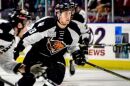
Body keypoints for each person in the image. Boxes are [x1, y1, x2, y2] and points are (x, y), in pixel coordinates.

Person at [14, 2, 91, 86]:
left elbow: (72, 46)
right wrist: (17, 50)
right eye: (65, 13)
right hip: (36, 54)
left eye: (69, 13)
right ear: (58, 13)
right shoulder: (46, 24)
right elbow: (27, 39)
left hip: (56, 57)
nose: (68, 16)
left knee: (57, 78)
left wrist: (76, 54)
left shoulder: (74, 30)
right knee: (28, 79)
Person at [0, 9, 44, 86]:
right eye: (26, 25)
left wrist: (27, 69)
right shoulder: (4, 28)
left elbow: (5, 63)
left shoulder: (11, 41)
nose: (27, 29)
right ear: (19, 25)